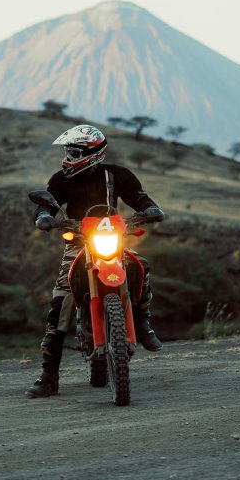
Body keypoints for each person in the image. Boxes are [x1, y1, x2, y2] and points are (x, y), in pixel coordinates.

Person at [26, 124, 165, 398]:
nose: (69, 157)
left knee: (140, 266)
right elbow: (48, 202)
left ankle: (142, 323)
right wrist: (44, 216)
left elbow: (140, 198)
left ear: (92, 153)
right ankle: (48, 377)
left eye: (74, 152)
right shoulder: (60, 179)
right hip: (78, 244)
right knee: (61, 302)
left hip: (113, 239)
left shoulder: (117, 175)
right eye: (68, 151)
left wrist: (150, 209)